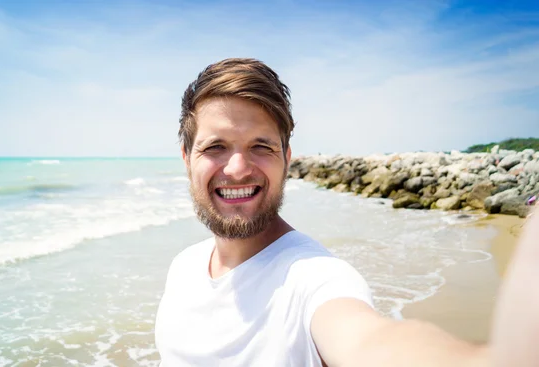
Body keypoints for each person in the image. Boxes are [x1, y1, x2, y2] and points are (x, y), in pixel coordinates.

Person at [154, 58, 539, 366]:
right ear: (187, 158)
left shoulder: (316, 278)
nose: (237, 168)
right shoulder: (184, 267)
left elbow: (369, 342)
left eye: (261, 146)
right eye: (215, 147)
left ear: (287, 159)